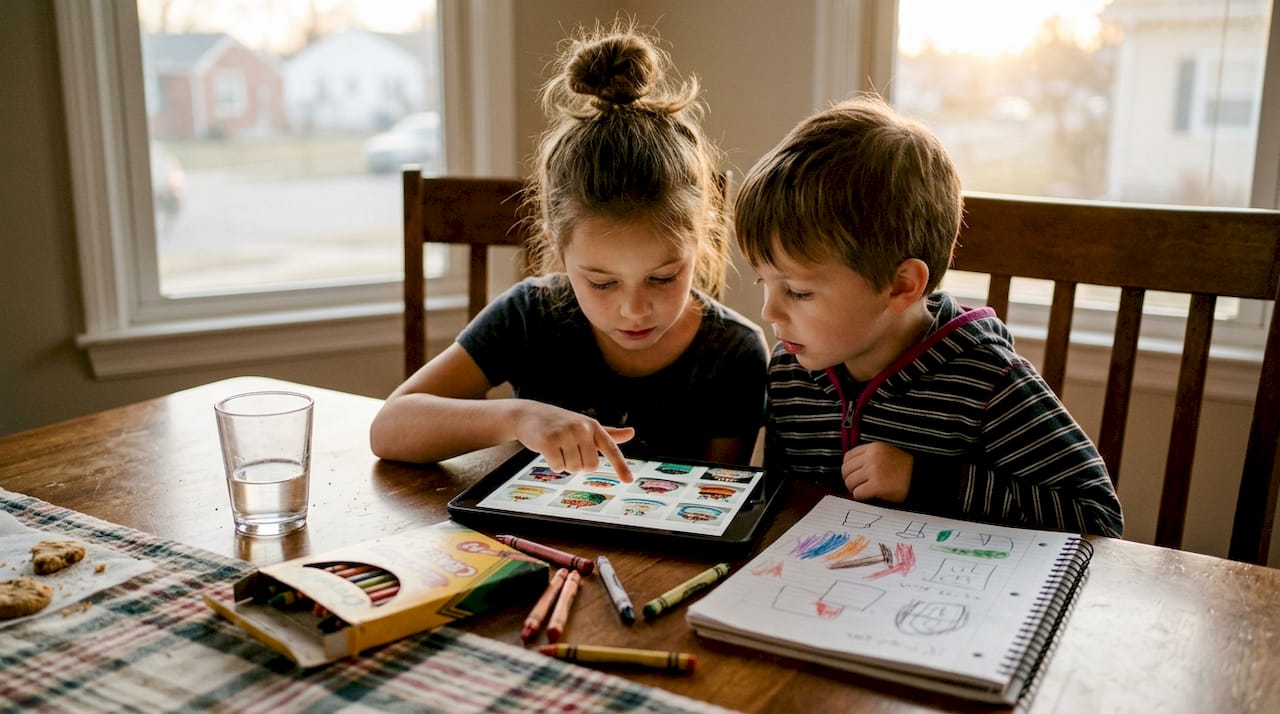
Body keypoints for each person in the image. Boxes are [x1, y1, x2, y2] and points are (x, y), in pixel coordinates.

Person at [370, 24, 768, 481]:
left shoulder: (733, 353)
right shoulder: (529, 316)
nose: (634, 309)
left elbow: (717, 499)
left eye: (663, 278)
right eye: (601, 282)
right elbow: (389, 428)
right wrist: (518, 417)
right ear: (558, 249)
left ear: (700, 242)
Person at [734, 94, 1123, 536]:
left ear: (901, 286)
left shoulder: (987, 382)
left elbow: (1097, 515)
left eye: (799, 291)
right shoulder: (792, 368)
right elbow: (786, 502)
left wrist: (925, 481)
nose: (769, 311)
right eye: (762, 282)